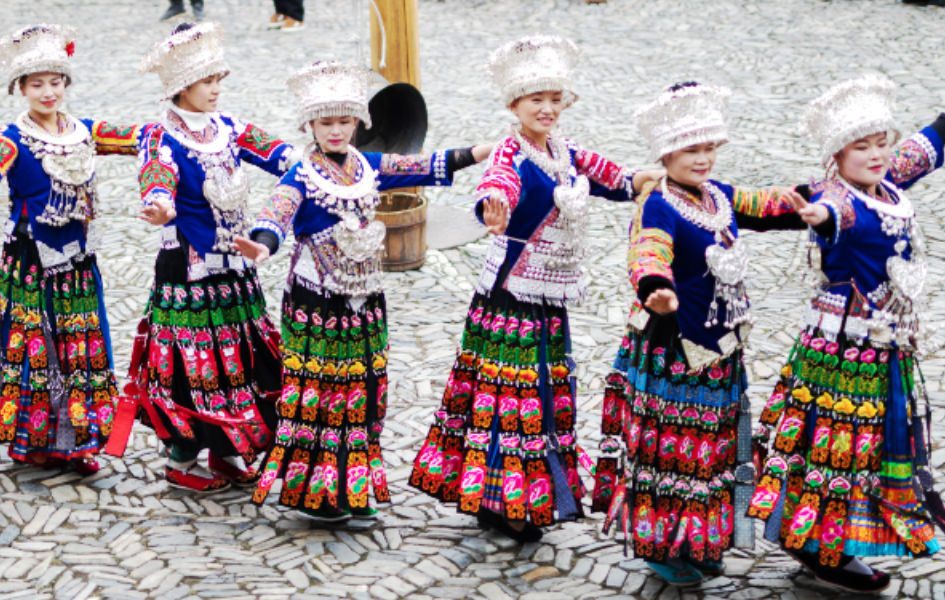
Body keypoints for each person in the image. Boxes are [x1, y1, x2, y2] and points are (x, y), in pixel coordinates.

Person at [409, 35, 661, 544]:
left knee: (540, 392)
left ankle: (528, 492)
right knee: (506, 395)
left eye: (554, 99)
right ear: (513, 105)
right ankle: (501, 497)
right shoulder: (510, 151)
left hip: (550, 297)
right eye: (535, 100)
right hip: (509, 295)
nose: (547, 109)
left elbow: (608, 175)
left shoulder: (564, 150)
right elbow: (495, 185)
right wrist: (490, 207)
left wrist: (643, 178)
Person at [234, 61, 490, 522]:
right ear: (310, 125)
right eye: (326, 122)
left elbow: (422, 166)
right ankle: (314, 492)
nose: (336, 131)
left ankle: (353, 487)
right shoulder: (301, 176)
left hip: (366, 299)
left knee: (363, 389)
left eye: (345, 121)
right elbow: (276, 213)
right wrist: (263, 243)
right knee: (320, 391)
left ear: (359, 122)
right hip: (317, 301)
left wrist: (477, 152)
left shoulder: (368, 166)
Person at [589, 81, 806, 586]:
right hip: (671, 348)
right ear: (666, 152)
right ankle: (662, 544)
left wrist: (821, 199)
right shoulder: (657, 203)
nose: (703, 159)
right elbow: (648, 250)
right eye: (692, 149)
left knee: (710, 448)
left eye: (710, 148)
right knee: (670, 449)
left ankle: (701, 538)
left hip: (720, 348)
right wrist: (656, 287)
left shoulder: (719, 198)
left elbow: (771, 204)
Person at [749, 75, 945, 594]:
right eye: (863, 146)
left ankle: (830, 538)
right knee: (835, 444)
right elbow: (826, 213)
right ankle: (820, 545)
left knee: (870, 444)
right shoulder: (838, 199)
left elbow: (927, 149)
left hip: (885, 344)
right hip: (843, 350)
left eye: (883, 142)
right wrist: (815, 216)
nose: (878, 154)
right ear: (837, 154)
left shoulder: (886, 180)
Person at [104, 22, 301, 493]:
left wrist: (322, 158)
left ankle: (227, 449)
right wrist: (159, 204)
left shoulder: (230, 129)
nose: (216, 90)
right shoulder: (160, 135)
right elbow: (156, 176)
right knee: (193, 365)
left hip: (235, 267)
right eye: (207, 82)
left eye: (219, 81)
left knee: (240, 359)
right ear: (181, 87)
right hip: (188, 272)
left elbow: (282, 154)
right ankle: (183, 455)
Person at [0, 24, 144, 474]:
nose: (48, 92)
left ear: (66, 84)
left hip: (78, 261)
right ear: (20, 88)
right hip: (31, 261)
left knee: (82, 346)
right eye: (37, 84)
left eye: (55, 82)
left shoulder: (85, 131)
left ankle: (77, 441)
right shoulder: (10, 139)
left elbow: (143, 138)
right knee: (37, 347)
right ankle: (33, 441)